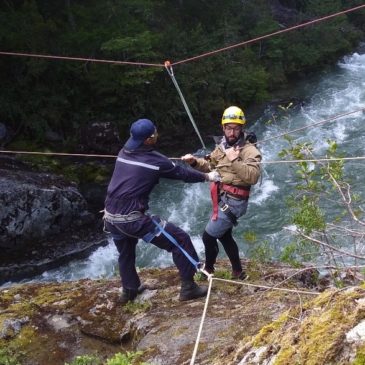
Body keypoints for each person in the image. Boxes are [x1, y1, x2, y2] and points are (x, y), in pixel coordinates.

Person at [103, 118, 220, 304]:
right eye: (155, 133)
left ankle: (129, 290)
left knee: (126, 252)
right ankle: (189, 287)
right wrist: (207, 176)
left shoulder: (123, 152)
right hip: (132, 219)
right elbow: (182, 174)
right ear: (149, 139)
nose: (158, 134)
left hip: (110, 218)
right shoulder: (155, 160)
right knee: (180, 239)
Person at [181, 106, 262, 279]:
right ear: (223, 128)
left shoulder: (250, 150)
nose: (232, 132)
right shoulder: (222, 146)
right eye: (228, 128)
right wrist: (194, 162)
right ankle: (238, 272)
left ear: (242, 128)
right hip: (223, 197)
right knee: (225, 236)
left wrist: (234, 160)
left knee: (208, 237)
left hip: (235, 201)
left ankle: (208, 269)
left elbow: (253, 177)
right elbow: (211, 166)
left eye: (236, 128)